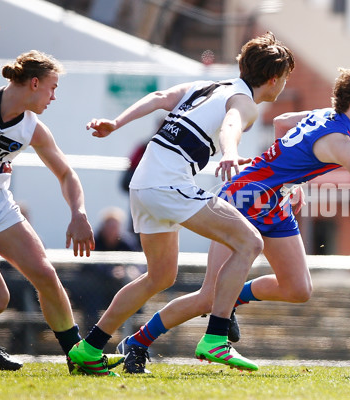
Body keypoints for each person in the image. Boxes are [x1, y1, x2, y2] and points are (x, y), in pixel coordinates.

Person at [116, 65, 350, 374]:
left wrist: (289, 180)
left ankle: (232, 300)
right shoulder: (342, 141)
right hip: (244, 197)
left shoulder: (326, 117)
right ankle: (136, 342)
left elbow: (284, 121)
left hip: (273, 203)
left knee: (297, 288)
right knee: (209, 296)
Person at [68, 32, 296, 375]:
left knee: (159, 277)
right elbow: (231, 126)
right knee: (250, 242)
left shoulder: (209, 87)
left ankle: (88, 348)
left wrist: (116, 123)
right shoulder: (244, 102)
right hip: (168, 186)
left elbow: (161, 97)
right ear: (274, 79)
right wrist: (231, 152)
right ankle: (216, 337)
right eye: (286, 79)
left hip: (142, 186)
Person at [0, 50, 100, 373]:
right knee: (0, 299)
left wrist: (78, 213)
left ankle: (78, 357)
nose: (54, 97)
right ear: (33, 83)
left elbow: (67, 174)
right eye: (52, 87)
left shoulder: (32, 128)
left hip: (1, 206)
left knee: (44, 274)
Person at [70, 206, 142, 331]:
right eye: (109, 226)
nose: (112, 230)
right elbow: (89, 264)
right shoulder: (93, 240)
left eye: (115, 227)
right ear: (103, 226)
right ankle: (90, 337)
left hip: (116, 288)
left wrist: (132, 271)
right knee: (92, 302)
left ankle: (135, 338)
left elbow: (138, 263)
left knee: (136, 297)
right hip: (93, 291)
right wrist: (111, 272)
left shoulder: (126, 242)